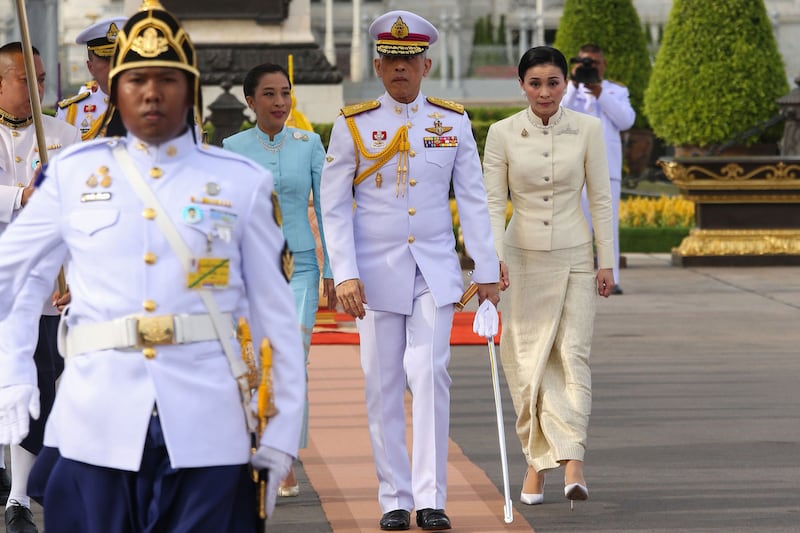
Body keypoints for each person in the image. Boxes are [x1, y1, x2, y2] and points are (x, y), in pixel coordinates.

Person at [0, 1, 305, 531]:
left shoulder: (239, 182)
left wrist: (279, 438)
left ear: (190, 88)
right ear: (115, 89)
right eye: (136, 78)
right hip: (96, 422)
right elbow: (13, 277)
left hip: (208, 425)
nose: (151, 92)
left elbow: (276, 319)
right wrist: (14, 370)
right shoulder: (74, 174)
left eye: (167, 78)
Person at [321, 10, 499, 532]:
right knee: (382, 385)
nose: (401, 70)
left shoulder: (453, 121)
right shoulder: (352, 123)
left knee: (429, 372)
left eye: (410, 61)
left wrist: (484, 267)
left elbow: (472, 197)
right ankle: (393, 497)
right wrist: (345, 272)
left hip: (434, 268)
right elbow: (334, 206)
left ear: (426, 65)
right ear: (378, 67)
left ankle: (431, 497)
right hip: (373, 273)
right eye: (391, 61)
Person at [482, 46, 615, 510]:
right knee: (524, 364)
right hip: (519, 261)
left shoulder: (589, 129)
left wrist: (606, 261)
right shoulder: (500, 134)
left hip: (577, 256)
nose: (544, 92)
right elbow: (493, 205)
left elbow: (600, 200)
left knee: (572, 355)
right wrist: (490, 261)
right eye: (535, 83)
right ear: (521, 85)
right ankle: (536, 464)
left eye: (553, 82)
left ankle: (573, 459)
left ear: (565, 85)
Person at [223, 62, 337, 497]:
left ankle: (285, 454)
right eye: (269, 94)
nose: (280, 102)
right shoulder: (232, 146)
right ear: (251, 102)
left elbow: (326, 207)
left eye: (285, 93)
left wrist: (331, 270)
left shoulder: (309, 144)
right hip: (251, 268)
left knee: (292, 358)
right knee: (252, 360)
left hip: (302, 267)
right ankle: (256, 445)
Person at [0, 41, 81, 533]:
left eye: (42, 79)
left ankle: (18, 500)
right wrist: (20, 195)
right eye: (25, 79)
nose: (36, 88)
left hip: (45, 285)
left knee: (38, 383)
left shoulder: (64, 136)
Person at [562, 43, 635, 295]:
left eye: (594, 62)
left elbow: (626, 120)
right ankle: (577, 279)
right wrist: (573, 82)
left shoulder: (615, 91)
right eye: (585, 63)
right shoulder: (568, 91)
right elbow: (558, 113)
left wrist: (600, 93)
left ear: (603, 65)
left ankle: (611, 279)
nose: (590, 67)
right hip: (574, 170)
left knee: (608, 226)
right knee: (575, 226)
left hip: (607, 169)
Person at [55, 16, 127, 140]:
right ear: (90, 67)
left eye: (121, 58)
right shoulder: (71, 112)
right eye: (107, 59)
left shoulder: (147, 104)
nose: (115, 65)